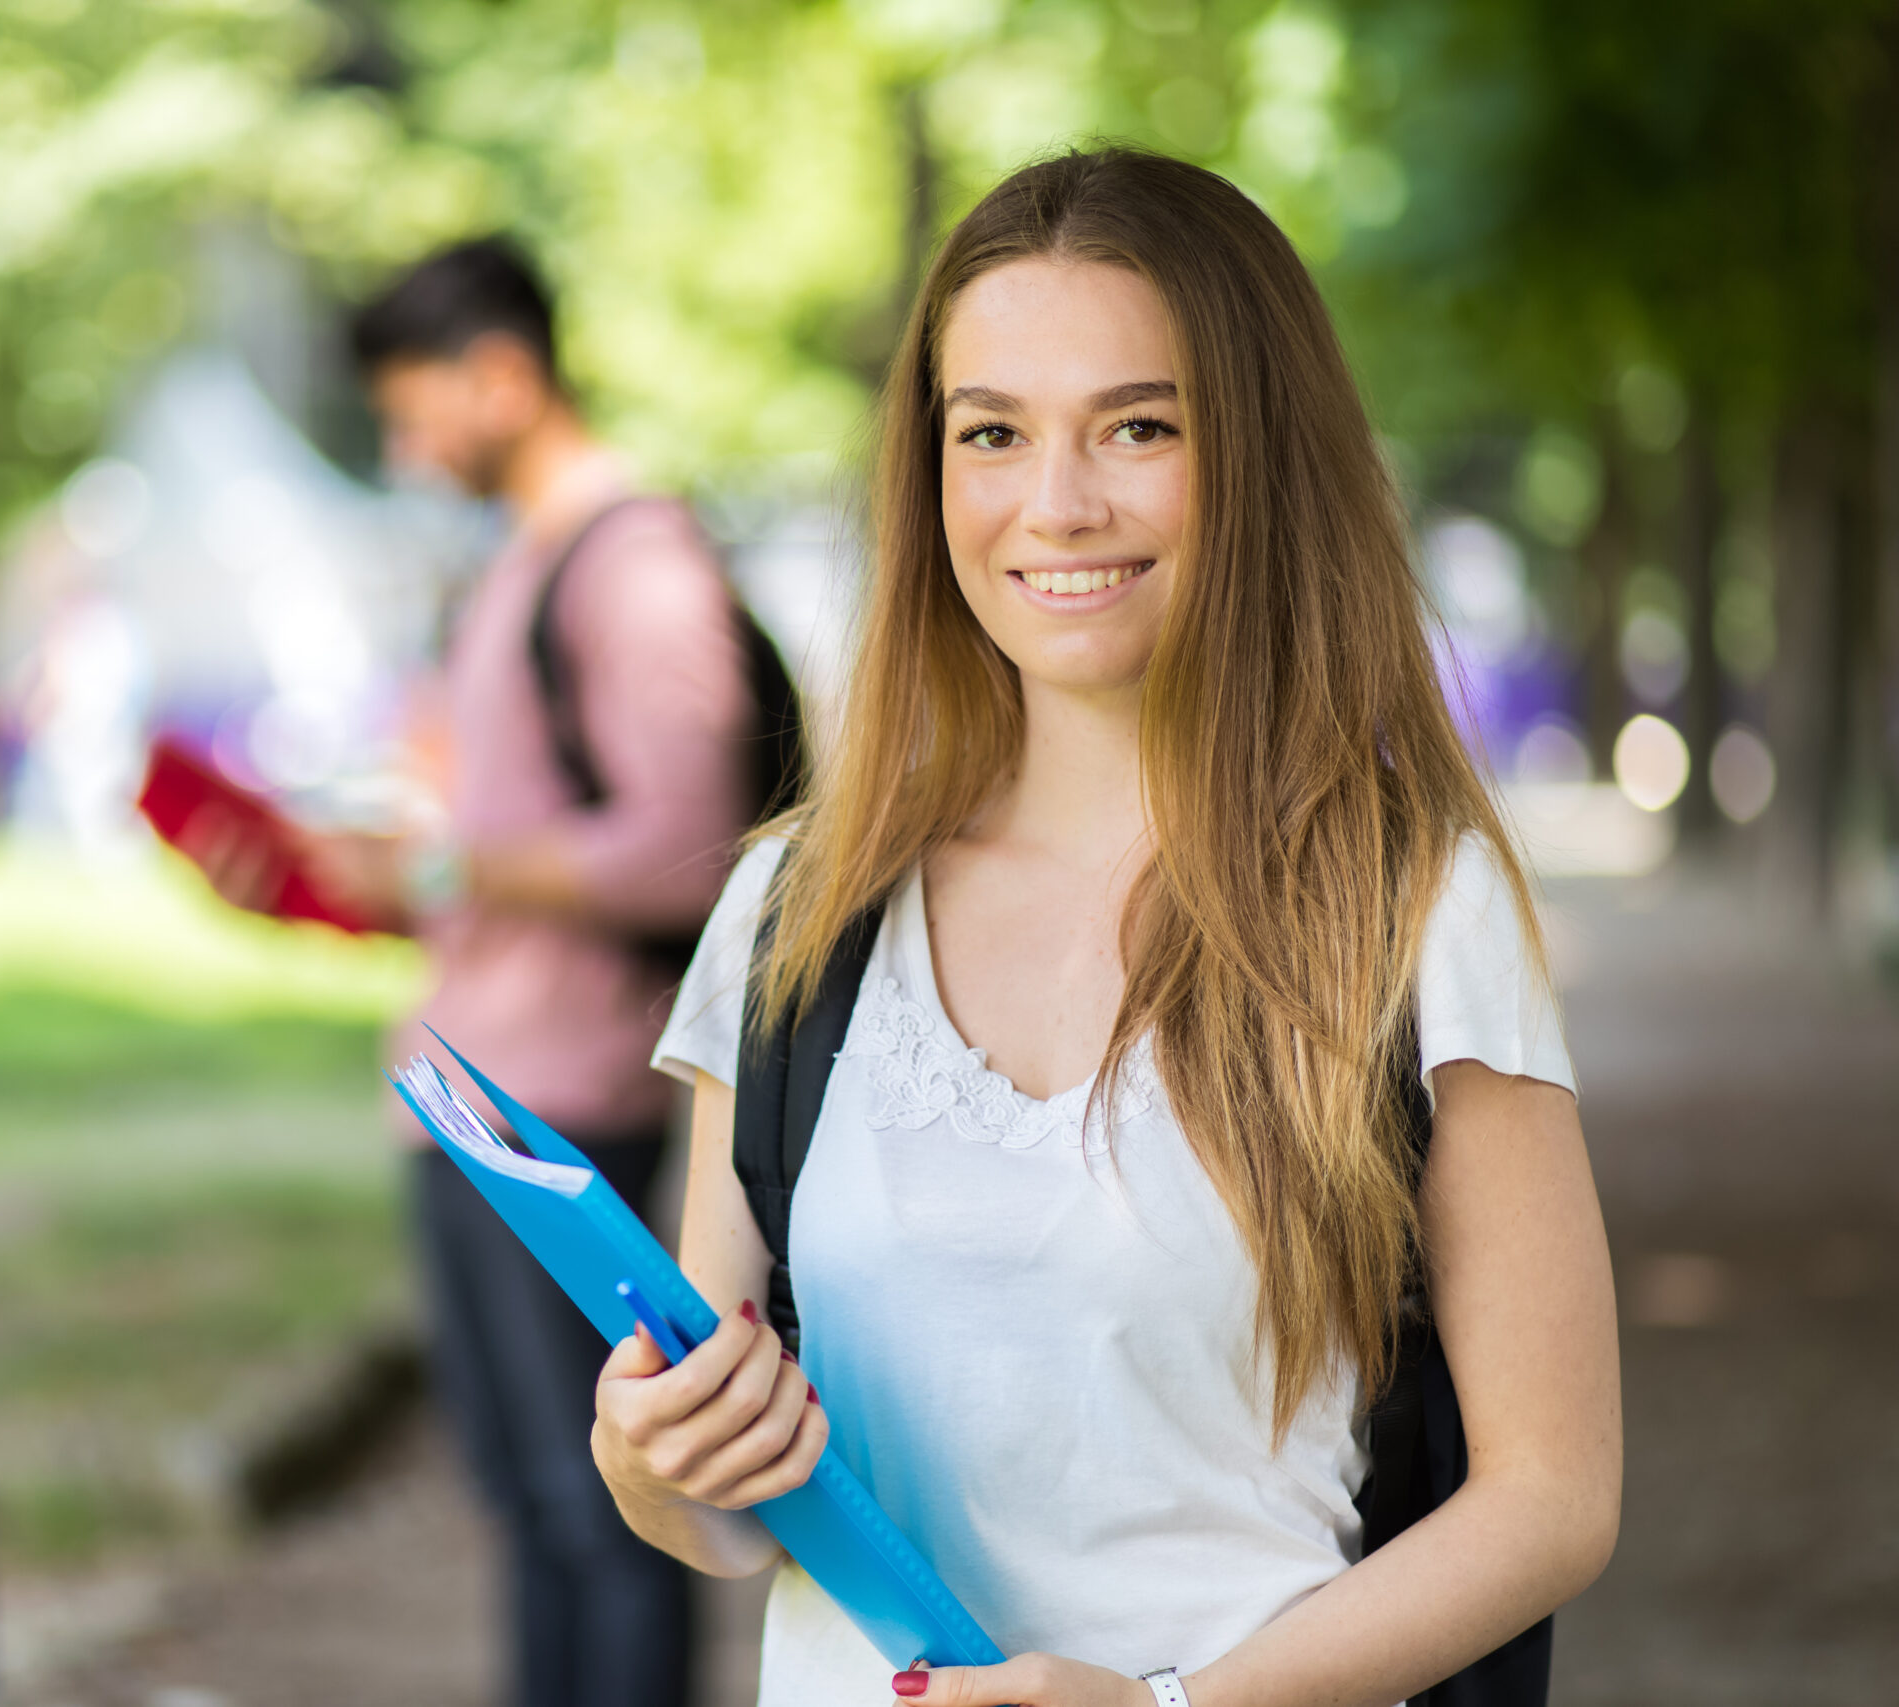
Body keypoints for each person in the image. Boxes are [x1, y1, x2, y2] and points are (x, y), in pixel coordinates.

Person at [591, 148, 1623, 1707]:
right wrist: (657, 1463)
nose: (1057, 505)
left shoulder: (1409, 907)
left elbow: (1552, 1498)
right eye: (991, 433)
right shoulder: (796, 911)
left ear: (1260, 458)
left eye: (1138, 427)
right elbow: (741, 1512)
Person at [311, 238, 767, 1707]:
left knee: (610, 1513)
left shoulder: (629, 558)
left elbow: (685, 840)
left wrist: (451, 866)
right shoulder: (513, 561)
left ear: (502, 373)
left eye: (413, 405)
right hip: (476, 1093)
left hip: (576, 1109)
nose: (405, 445)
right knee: (529, 1509)